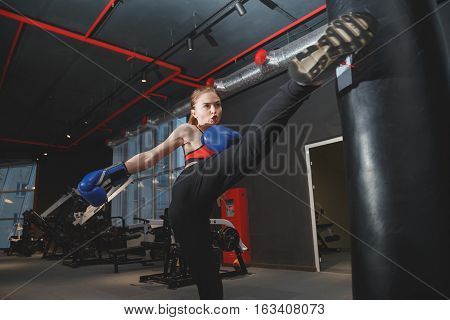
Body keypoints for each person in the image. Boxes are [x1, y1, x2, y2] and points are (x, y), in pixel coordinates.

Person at [77, 12, 377, 299]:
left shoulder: (225, 138)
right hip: (189, 185)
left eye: (218, 104)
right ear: (193, 111)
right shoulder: (187, 132)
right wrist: (113, 173)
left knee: (207, 270)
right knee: (252, 147)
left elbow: (246, 154)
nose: (214, 110)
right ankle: (299, 83)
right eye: (207, 105)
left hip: (200, 207)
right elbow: (151, 157)